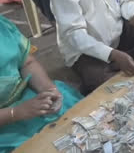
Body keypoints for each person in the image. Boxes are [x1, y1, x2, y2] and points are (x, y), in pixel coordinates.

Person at [0, 16, 82, 151]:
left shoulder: (3, 26)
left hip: (26, 96)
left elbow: (27, 62)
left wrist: (49, 89)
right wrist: (16, 113)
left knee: (72, 114)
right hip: (5, 122)